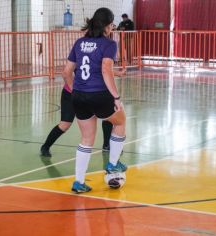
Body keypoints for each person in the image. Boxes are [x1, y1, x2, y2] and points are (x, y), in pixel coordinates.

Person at [63, 7, 127, 193]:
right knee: (120, 121)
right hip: (99, 94)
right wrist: (116, 97)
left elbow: (66, 72)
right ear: (108, 26)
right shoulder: (108, 44)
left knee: (86, 139)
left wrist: (75, 90)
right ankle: (113, 164)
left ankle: (79, 182)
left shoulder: (80, 42)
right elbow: (106, 70)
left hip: (79, 95)